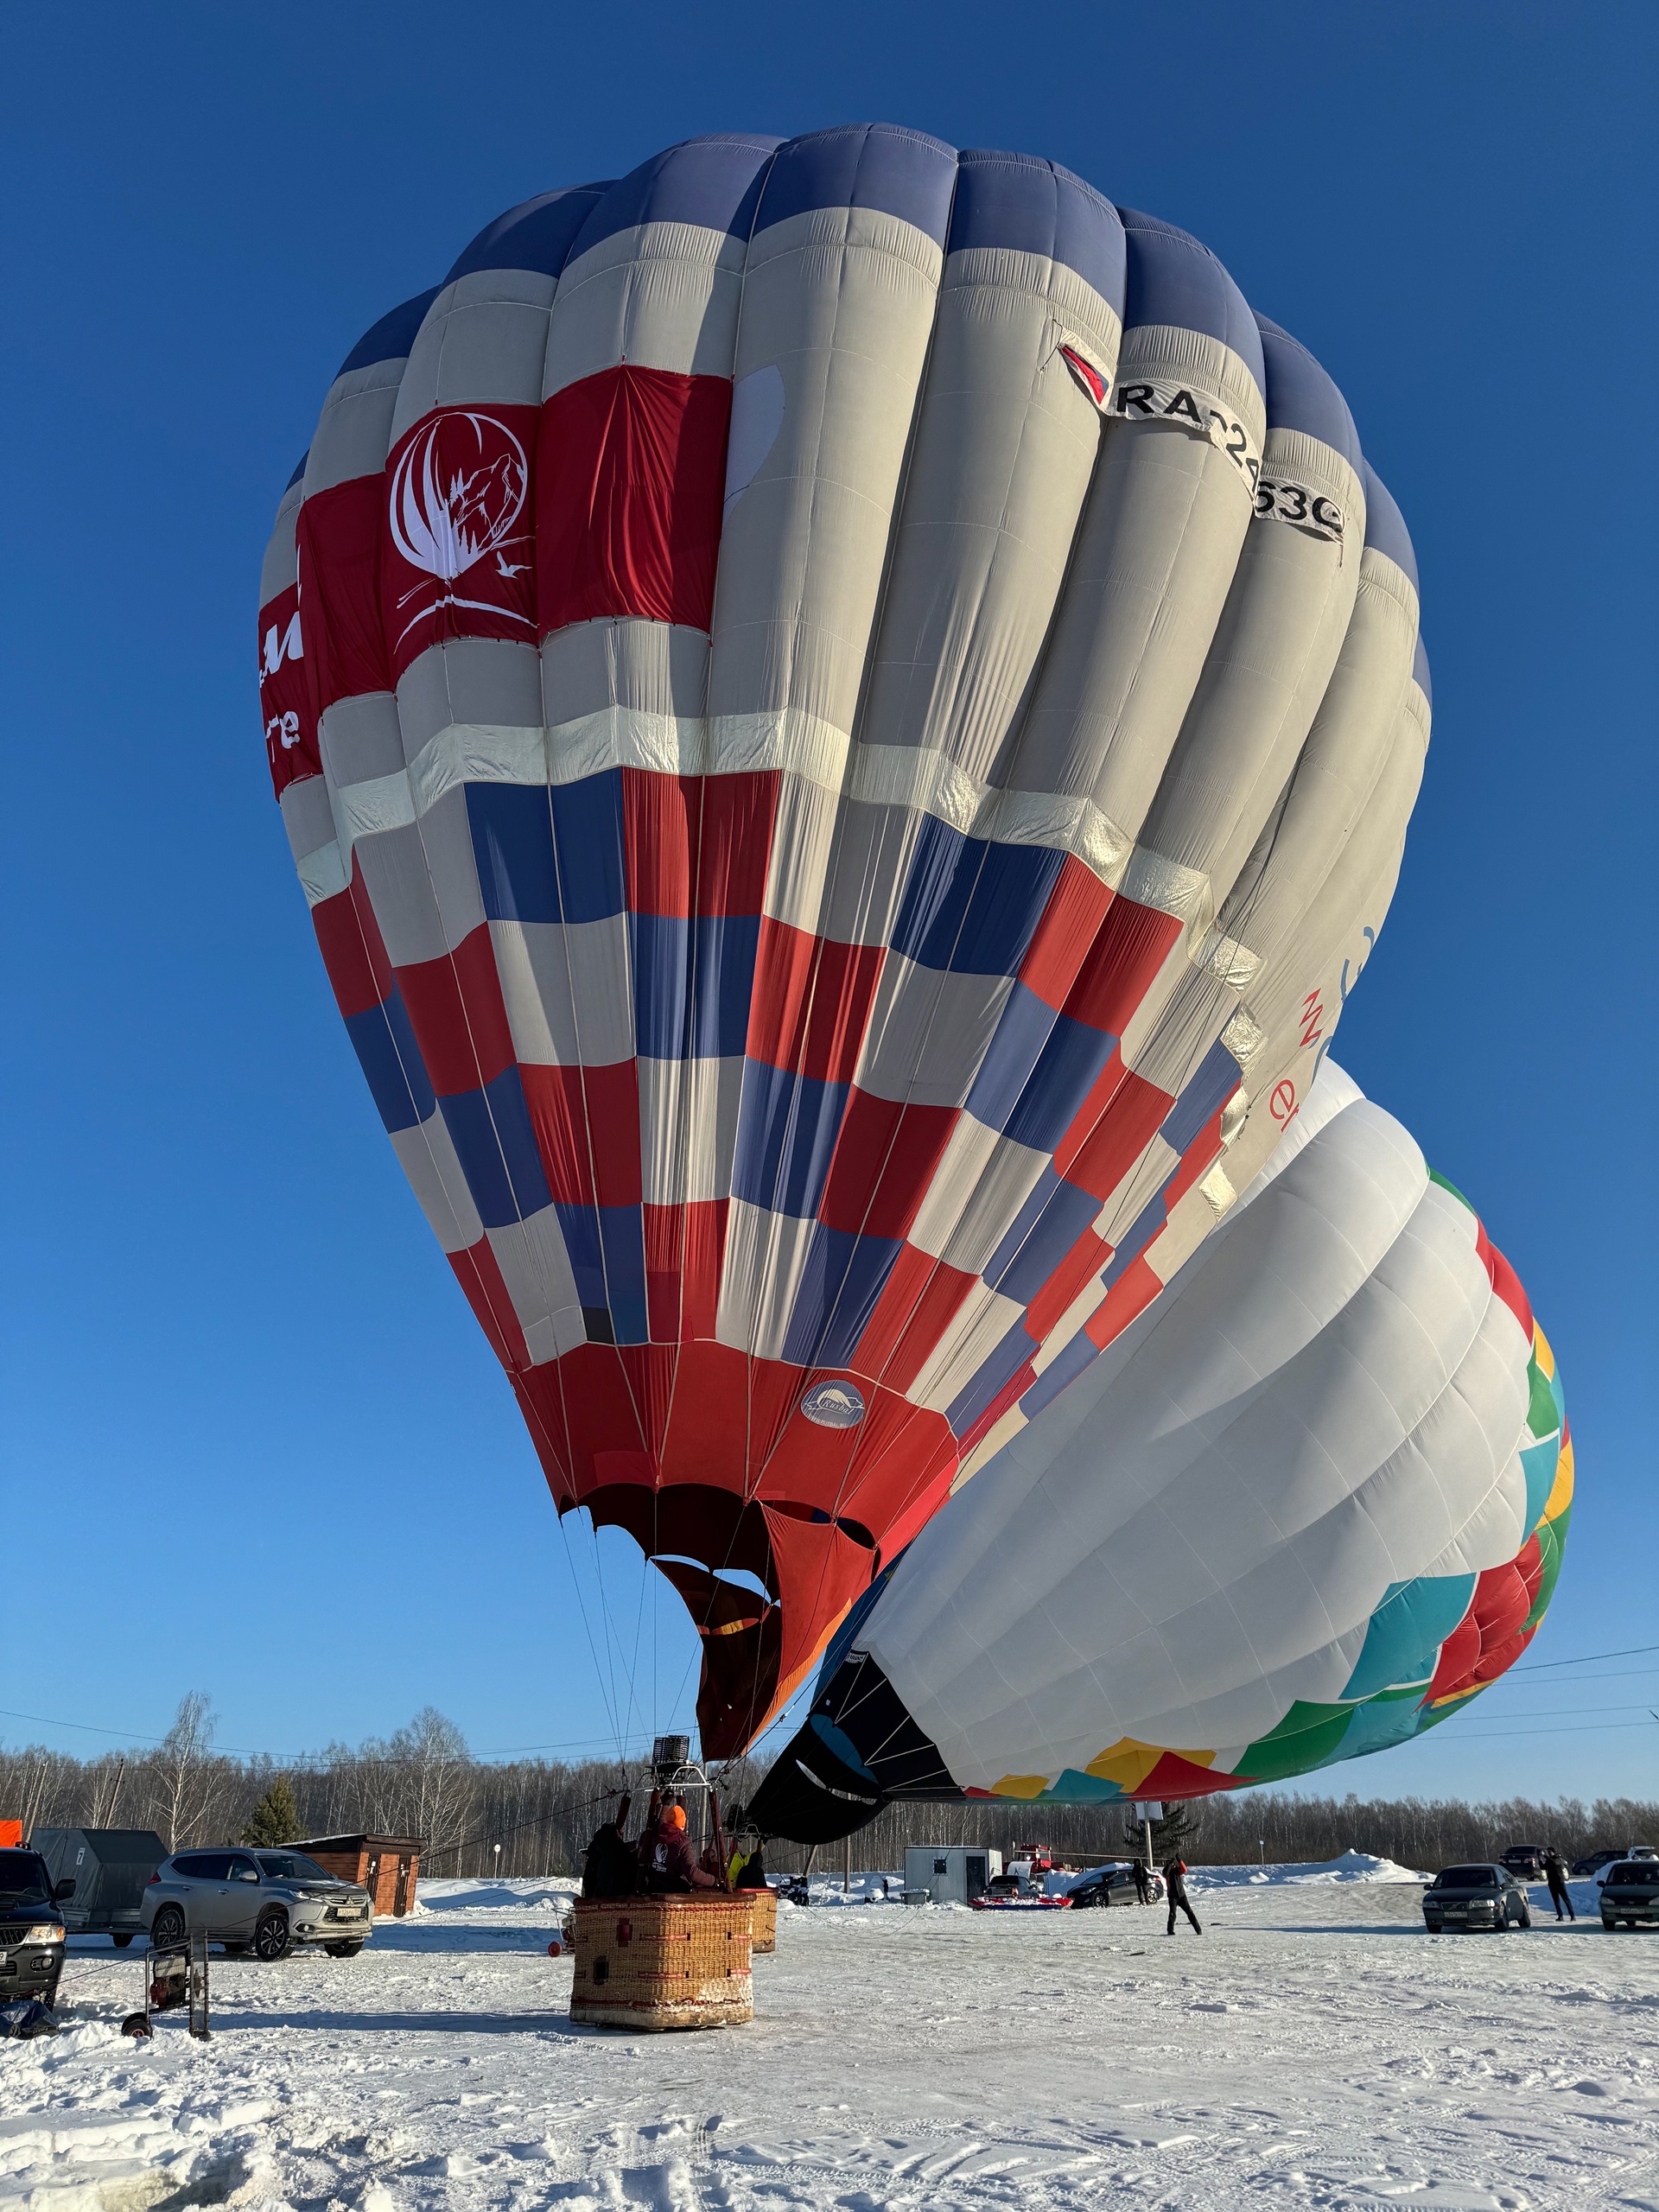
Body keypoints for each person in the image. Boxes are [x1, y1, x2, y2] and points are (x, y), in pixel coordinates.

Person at [640, 1802, 719, 1894]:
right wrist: (715, 1881)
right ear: (682, 1824)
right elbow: (692, 1873)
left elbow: (661, 1821)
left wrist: (665, 1803)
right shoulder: (683, 1843)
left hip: (652, 1888)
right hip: (675, 1893)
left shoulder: (654, 1835)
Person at [580, 1794, 636, 1898]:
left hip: (598, 1898)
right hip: (618, 1898)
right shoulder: (620, 1853)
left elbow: (589, 1882)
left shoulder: (596, 1851)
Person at [1164, 1855, 1201, 1936]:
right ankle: (1170, 1931)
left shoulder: (1177, 1871)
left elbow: (1184, 1870)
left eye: (1173, 1864)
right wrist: (1169, 1864)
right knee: (1172, 1914)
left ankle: (1198, 1930)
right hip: (1172, 1896)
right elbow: (1165, 1873)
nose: (1172, 1865)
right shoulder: (1167, 1872)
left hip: (1181, 1895)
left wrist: (1180, 1860)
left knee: (1190, 1912)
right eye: (1171, 1864)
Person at [1543, 1847, 1576, 1922]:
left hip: (1559, 1882)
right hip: (1552, 1883)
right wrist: (1540, 1859)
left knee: (1566, 1899)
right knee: (1556, 1900)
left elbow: (1555, 1863)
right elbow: (1543, 1867)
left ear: (1553, 1852)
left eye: (1549, 1852)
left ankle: (1572, 1915)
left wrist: (1546, 1857)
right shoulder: (1549, 1860)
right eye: (1547, 1852)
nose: (1548, 1853)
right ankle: (1560, 1915)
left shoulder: (1558, 1858)